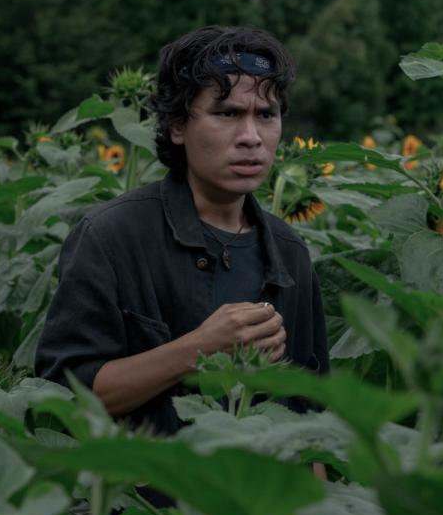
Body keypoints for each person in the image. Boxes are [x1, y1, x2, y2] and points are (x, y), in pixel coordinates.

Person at [35, 25, 330, 434]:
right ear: (177, 126)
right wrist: (200, 348)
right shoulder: (111, 236)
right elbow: (61, 399)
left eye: (266, 115)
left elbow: (308, 419)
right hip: (138, 495)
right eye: (226, 113)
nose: (251, 138)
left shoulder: (289, 252)